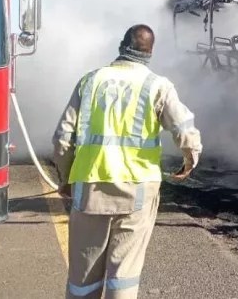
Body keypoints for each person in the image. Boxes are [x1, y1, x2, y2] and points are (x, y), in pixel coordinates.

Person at [53, 24, 202, 299]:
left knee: (83, 276)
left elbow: (62, 139)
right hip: (138, 190)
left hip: (89, 188)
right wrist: (190, 160)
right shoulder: (158, 85)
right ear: (151, 52)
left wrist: (66, 180)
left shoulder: (90, 81)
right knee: (124, 274)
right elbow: (184, 129)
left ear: (122, 45)